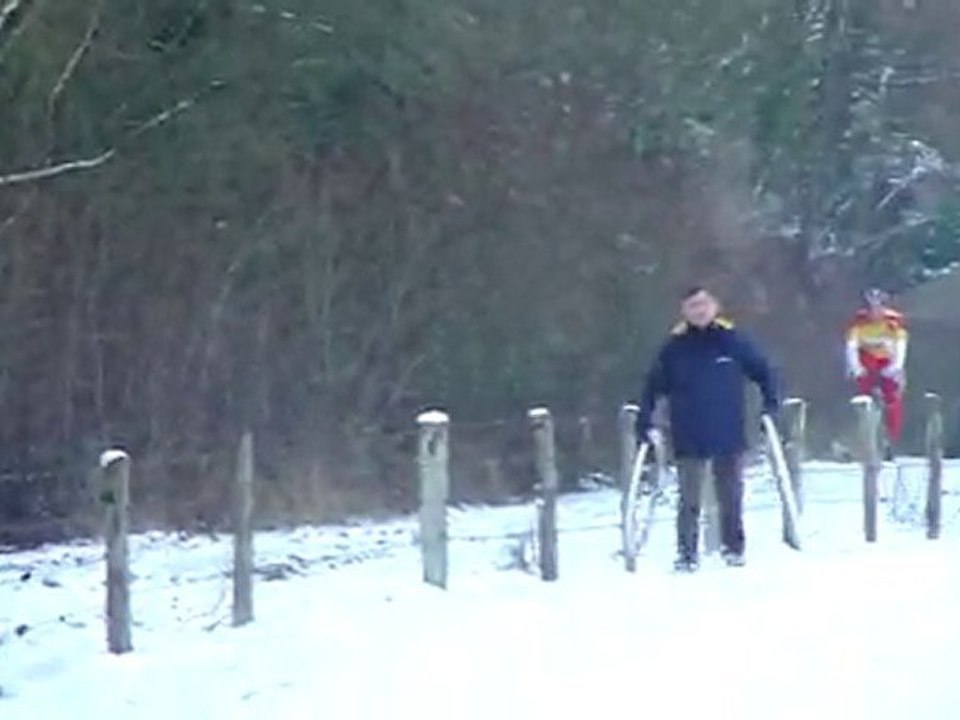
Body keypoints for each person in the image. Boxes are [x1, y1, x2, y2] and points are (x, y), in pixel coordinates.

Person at [636, 287, 779, 572]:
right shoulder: (674, 348)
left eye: (704, 304)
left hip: (728, 429)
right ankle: (687, 554)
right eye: (693, 306)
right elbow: (652, 387)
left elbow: (764, 371)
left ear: (715, 306)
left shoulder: (732, 341)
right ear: (684, 311)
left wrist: (771, 404)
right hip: (688, 432)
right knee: (689, 498)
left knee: (731, 495)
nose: (699, 311)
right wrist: (645, 419)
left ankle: (733, 549)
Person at [845, 288, 908, 456]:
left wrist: (895, 368)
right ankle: (859, 432)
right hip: (866, 359)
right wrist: (857, 368)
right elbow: (851, 347)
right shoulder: (858, 321)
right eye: (871, 308)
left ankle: (891, 438)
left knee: (893, 398)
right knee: (862, 392)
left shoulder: (894, 321)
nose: (875, 311)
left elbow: (901, 347)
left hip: (888, 359)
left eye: (879, 307)